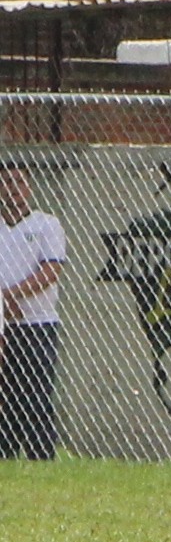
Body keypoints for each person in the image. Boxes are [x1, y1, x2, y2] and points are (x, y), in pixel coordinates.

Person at [0, 163, 66, 461]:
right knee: (6, 397)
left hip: (37, 324)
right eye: (7, 183)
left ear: (29, 188)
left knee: (36, 394)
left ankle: (41, 458)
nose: (13, 189)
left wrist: (12, 295)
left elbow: (51, 270)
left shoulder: (46, 225)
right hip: (2, 324)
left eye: (19, 183)